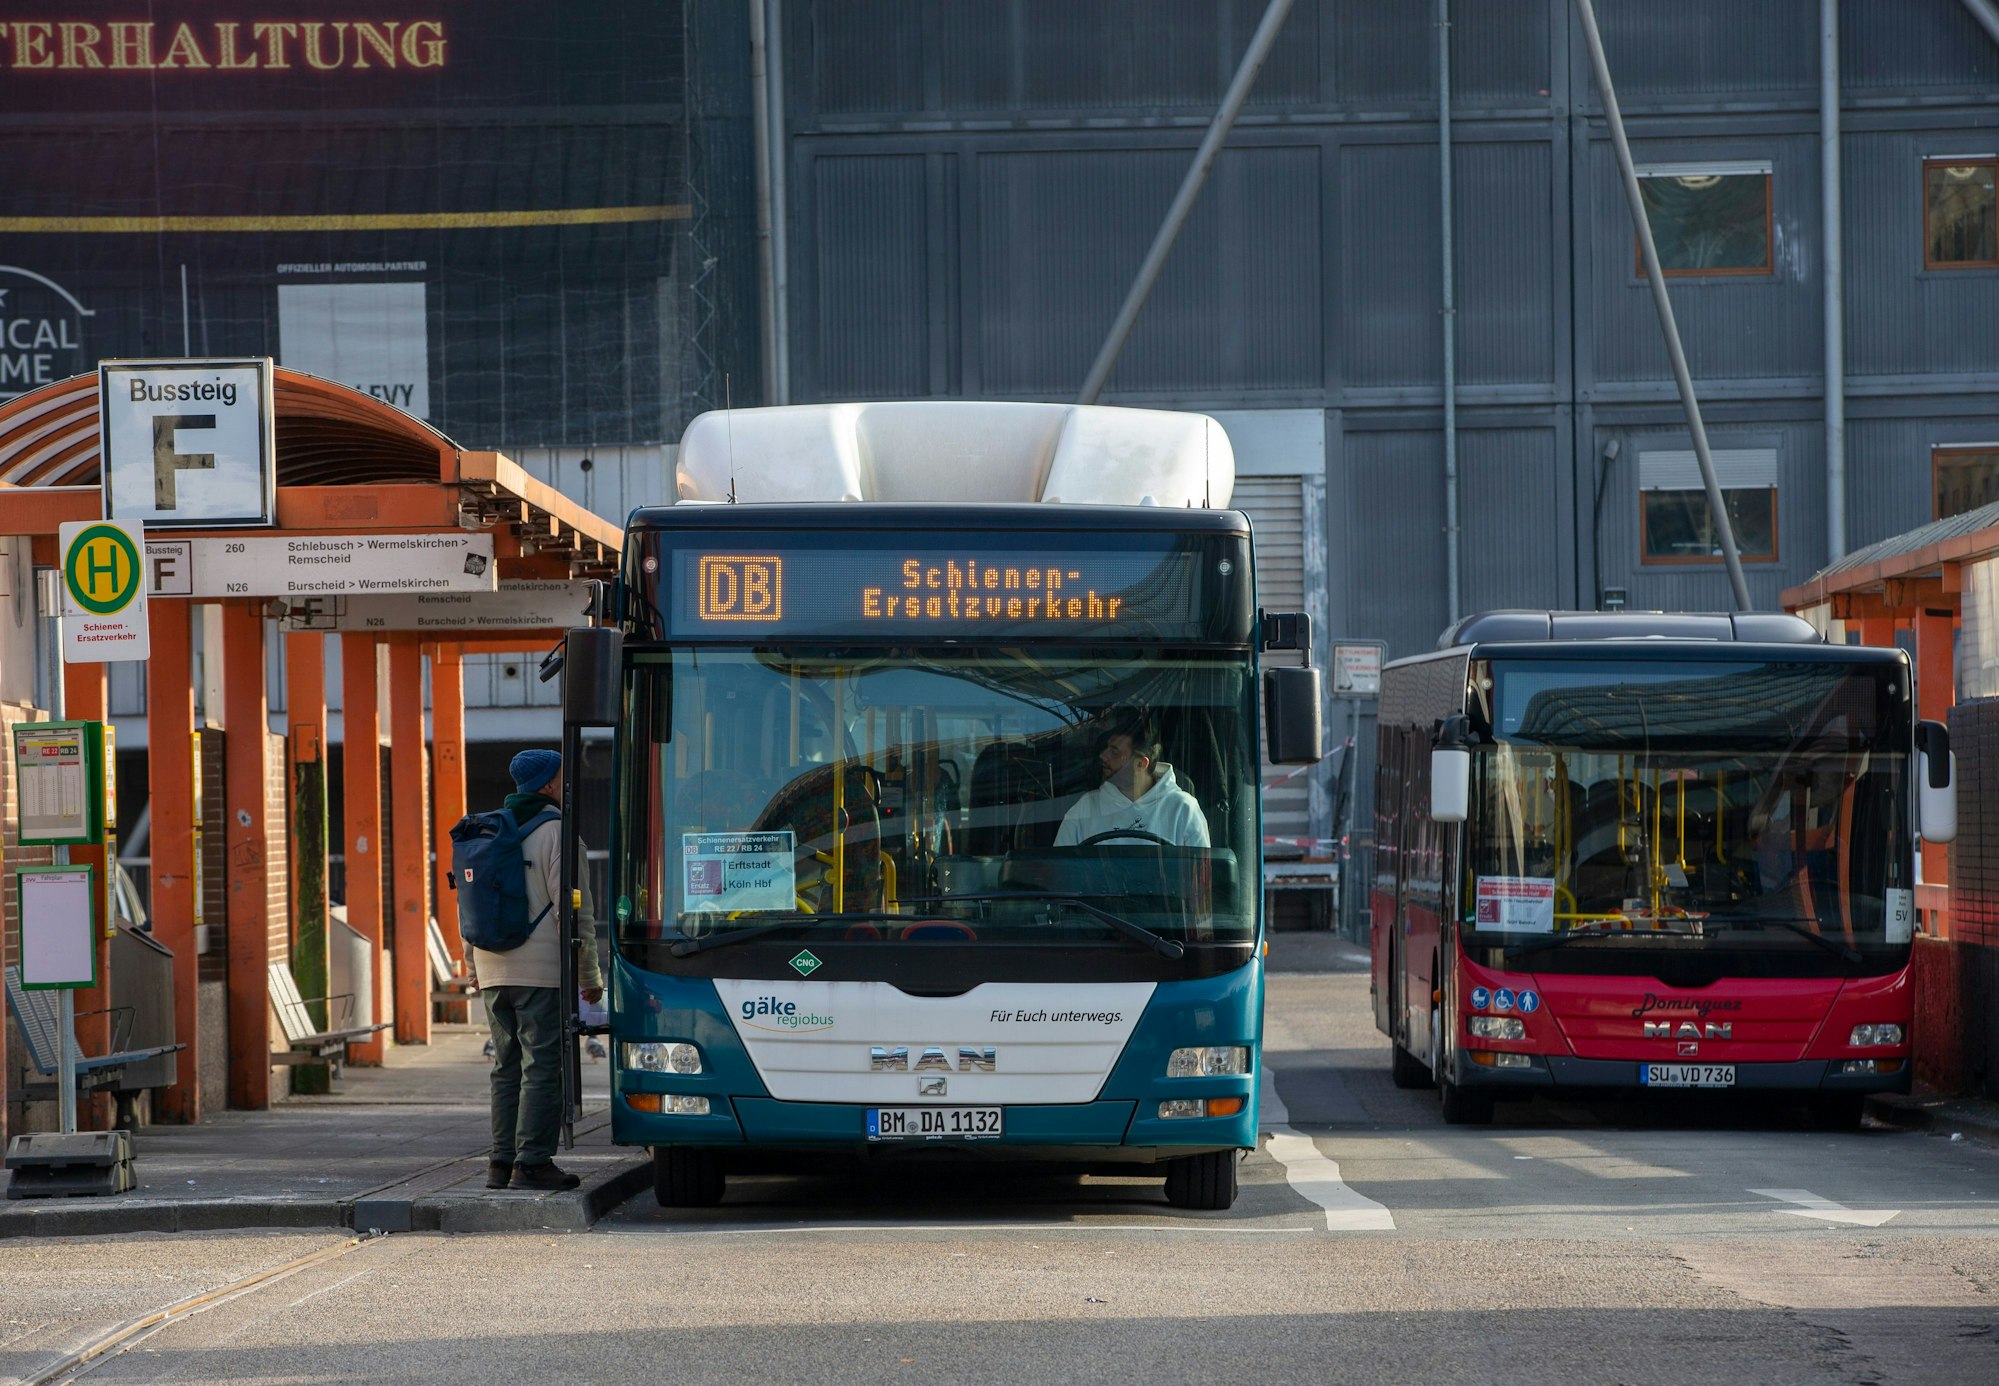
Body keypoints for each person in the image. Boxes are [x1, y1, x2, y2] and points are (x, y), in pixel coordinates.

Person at [471, 749, 604, 1192]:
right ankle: (532, 1161)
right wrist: (590, 975)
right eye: (562, 777)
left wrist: (474, 964)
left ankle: (499, 1162)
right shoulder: (558, 833)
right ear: (548, 784)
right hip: (539, 970)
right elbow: (574, 912)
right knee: (543, 1064)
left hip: (491, 966)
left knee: (505, 1066)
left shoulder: (489, 829)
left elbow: (469, 901)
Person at [1054, 708, 1209, 848]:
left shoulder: (1183, 809)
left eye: (1114, 752)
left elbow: (1201, 875)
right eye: (1106, 748)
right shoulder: (1085, 809)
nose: (1103, 756)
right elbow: (1061, 871)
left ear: (1141, 764)